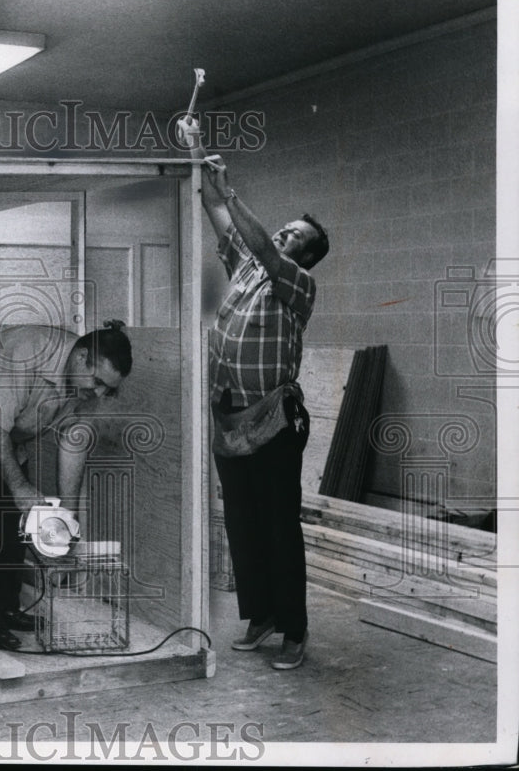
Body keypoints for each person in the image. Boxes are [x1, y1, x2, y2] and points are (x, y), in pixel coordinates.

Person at [178, 114, 329, 670]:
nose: (286, 235)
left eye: (297, 236)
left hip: (273, 422)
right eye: (286, 228)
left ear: (305, 255)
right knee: (241, 526)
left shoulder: (297, 283)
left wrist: (233, 190)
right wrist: (197, 154)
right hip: (231, 419)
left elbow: (262, 245)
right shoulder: (245, 272)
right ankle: (261, 614)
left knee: (278, 527)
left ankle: (294, 630)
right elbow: (221, 218)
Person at [0, 321, 132, 650]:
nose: (99, 394)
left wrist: (67, 517)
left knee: (11, 516)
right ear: (81, 358)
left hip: (5, 423)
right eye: (97, 382)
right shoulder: (26, 352)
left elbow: (73, 443)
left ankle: (5, 606)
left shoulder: (87, 387)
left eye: (108, 389)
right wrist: (19, 485)